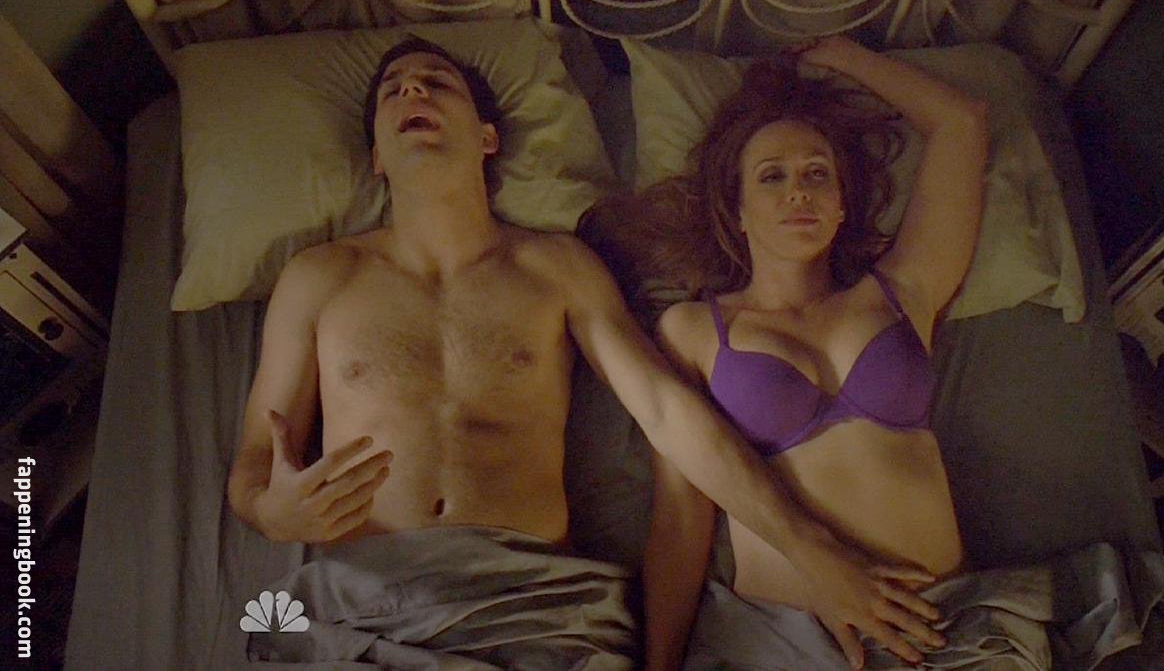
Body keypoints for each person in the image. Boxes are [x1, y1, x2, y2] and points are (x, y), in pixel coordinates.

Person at [225, 36, 943, 668]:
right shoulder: (318, 278)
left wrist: (809, 547)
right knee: (268, 628)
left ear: (486, 137)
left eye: (436, 83)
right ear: (377, 157)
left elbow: (667, 414)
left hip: (535, 603)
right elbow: (257, 457)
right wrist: (270, 511)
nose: (413, 91)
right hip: (366, 597)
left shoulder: (557, 269)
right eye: (394, 91)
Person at [607, 36, 990, 669]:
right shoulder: (693, 330)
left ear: (841, 205)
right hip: (784, 639)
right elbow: (682, 518)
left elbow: (961, 123)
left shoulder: (902, 290)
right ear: (738, 210)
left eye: (818, 173)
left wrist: (841, 54)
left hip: (940, 627)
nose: (799, 192)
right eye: (772, 176)